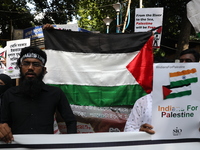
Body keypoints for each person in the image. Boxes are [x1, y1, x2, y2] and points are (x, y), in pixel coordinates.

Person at [0, 46, 77, 143]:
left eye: (36, 64)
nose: (30, 68)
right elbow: (3, 122)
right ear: (20, 67)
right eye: (26, 64)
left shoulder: (55, 93)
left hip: (46, 147)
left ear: (44, 70)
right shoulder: (9, 94)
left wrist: (72, 143)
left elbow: (70, 121)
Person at [124, 49, 200, 134]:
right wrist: (140, 131)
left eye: (188, 61)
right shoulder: (143, 102)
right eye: (159, 73)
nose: (184, 64)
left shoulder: (195, 98)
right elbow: (128, 130)